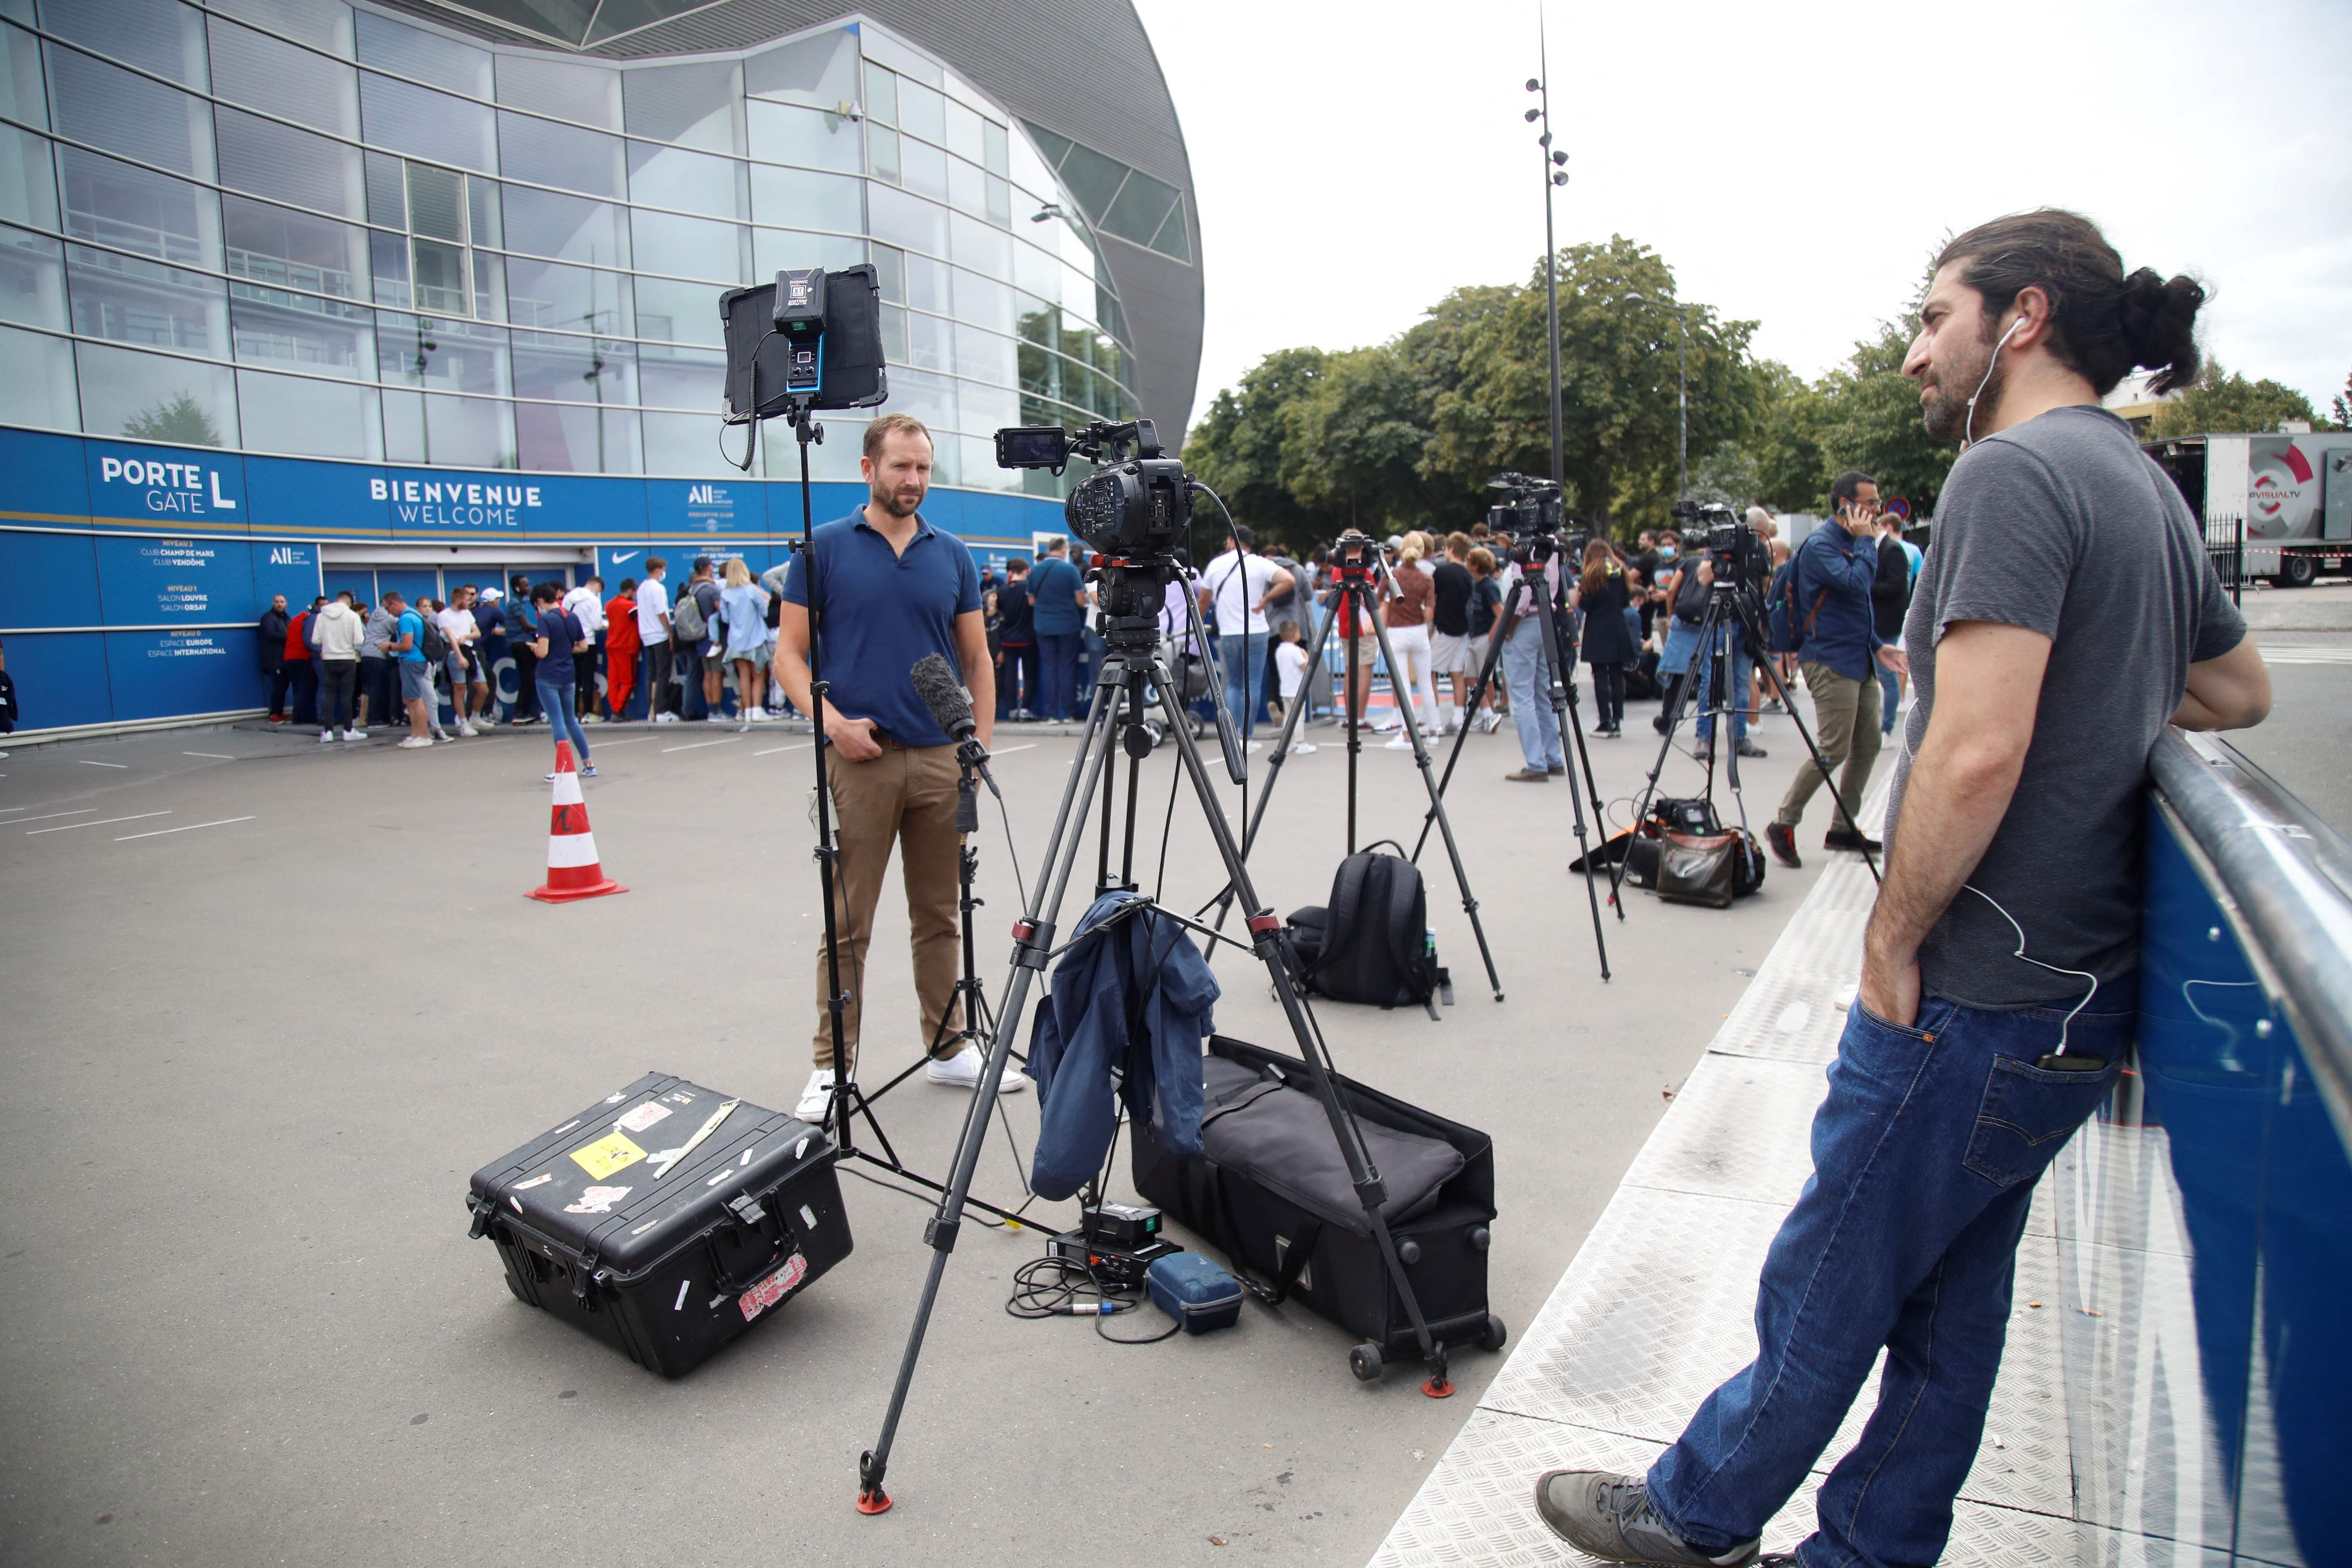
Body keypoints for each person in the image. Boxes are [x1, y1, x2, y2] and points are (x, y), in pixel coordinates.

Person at [1534, 206, 2270, 1568]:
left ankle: (1699, 1513)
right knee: (1949, 1303)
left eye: (1936, 317)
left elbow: (1976, 748)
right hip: (2075, 989)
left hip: (1981, 978)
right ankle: (1872, 1548)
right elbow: (2238, 687)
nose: (1914, 355)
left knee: (1835, 1267)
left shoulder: (2012, 473)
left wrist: (1890, 939)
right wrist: (2102, 681)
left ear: (2024, 318)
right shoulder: (2141, 484)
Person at [775, 412, 1023, 1122]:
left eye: (922, 468)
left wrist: (976, 746)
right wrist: (832, 725)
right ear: (867, 469)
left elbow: (976, 659)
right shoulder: (821, 550)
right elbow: (788, 655)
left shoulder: (952, 554)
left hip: (942, 759)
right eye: (900, 467)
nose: (913, 480)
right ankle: (832, 1066)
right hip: (861, 758)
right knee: (847, 919)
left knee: (941, 914)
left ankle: (948, 1048)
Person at [1766, 471, 1904, 868]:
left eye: (1878, 502)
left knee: (1869, 744)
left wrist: (1879, 647)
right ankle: (1784, 822)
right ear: (1846, 505)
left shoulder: (1849, 543)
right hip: (1828, 659)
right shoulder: (1822, 546)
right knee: (1832, 749)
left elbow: (1855, 608)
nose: (1878, 510)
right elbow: (1857, 585)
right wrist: (1865, 541)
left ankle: (1844, 827)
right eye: (1871, 503)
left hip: (1858, 658)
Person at [1197, 524, 1292, 745]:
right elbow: (1289, 580)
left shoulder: (1216, 565)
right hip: (1257, 630)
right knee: (1253, 683)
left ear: (1231, 540)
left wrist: (1199, 622)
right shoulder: (1260, 563)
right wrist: (1266, 600)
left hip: (1230, 632)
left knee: (1234, 683)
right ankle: (1246, 735)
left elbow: (1204, 599)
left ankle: (1232, 735)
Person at [1494, 550, 1564, 781]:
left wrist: (1509, 628)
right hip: (1545, 620)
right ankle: (1553, 757)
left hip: (1524, 623)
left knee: (1522, 696)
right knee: (1543, 694)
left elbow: (1523, 595)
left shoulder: (1527, 552)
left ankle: (1536, 762)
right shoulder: (1551, 550)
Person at [526, 582, 596, 780]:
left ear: (540, 601)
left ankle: (564, 767)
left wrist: (534, 648)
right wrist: (565, 650)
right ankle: (588, 763)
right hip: (568, 674)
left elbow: (543, 652)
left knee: (557, 721)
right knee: (571, 720)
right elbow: (583, 647)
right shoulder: (572, 617)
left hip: (548, 675)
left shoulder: (546, 621)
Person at [1570, 540, 1633, 738]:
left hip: (1597, 627)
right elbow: (1625, 601)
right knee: (1617, 675)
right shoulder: (1620, 571)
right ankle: (1618, 721)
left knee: (1600, 676)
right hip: (1618, 625)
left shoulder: (1590, 575)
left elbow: (1587, 605)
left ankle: (1604, 721)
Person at [1029, 537, 1086, 721]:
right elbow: (1081, 600)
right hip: (1068, 624)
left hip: (1043, 625)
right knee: (1068, 666)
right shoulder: (1070, 570)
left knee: (1049, 667)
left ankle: (1051, 713)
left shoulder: (1035, 570)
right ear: (1063, 549)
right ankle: (1069, 711)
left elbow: (1031, 601)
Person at [1428, 533, 1476, 734]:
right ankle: (1458, 716)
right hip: (1463, 628)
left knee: (1428, 671)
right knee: (1457, 672)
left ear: (1452, 549)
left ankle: (1433, 718)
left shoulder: (1442, 572)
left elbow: (1433, 598)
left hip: (1445, 627)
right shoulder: (1468, 575)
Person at [718, 558, 772, 723]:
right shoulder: (751, 590)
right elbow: (764, 612)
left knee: (744, 676)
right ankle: (757, 710)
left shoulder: (726, 594)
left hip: (736, 641)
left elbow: (726, 619)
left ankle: (747, 710)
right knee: (758, 676)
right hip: (755, 638)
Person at [380, 591, 435, 748]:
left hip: (412, 661)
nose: (388, 612)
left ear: (395, 604)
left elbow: (407, 645)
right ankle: (416, 734)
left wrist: (389, 646)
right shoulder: (414, 615)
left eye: (388, 608)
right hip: (415, 660)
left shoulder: (406, 619)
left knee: (415, 700)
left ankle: (423, 736)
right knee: (410, 700)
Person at [310, 590, 366, 742]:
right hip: (347, 659)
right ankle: (348, 730)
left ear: (336, 600)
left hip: (328, 659)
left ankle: (328, 732)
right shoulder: (352, 616)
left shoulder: (321, 616)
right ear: (349, 603)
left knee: (329, 695)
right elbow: (359, 641)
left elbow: (315, 640)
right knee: (347, 695)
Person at [993, 555, 1038, 720]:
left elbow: (1000, 612)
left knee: (1010, 675)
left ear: (1011, 572)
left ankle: (1012, 709)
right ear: (1027, 571)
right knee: (1029, 675)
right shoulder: (1028, 589)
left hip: (1008, 639)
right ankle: (1025, 708)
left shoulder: (1002, 590)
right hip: (1027, 638)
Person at [1464, 546, 1504, 731]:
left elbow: (1500, 612)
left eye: (1468, 560)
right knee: (1470, 676)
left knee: (1485, 677)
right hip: (1475, 635)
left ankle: (1492, 713)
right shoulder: (1476, 584)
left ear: (1474, 565)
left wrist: (1492, 635)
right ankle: (1488, 712)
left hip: (1484, 636)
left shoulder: (1489, 586)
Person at [680, 557, 725, 720]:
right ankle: (716, 711)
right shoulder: (713, 590)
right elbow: (723, 613)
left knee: (708, 674)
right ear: (708, 568)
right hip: (714, 638)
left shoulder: (693, 588)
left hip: (699, 637)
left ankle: (711, 710)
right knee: (716, 674)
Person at [438, 586, 485, 736]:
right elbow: (451, 637)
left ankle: (475, 717)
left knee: (483, 688)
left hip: (469, 650)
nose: (469, 602)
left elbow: (477, 633)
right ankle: (463, 722)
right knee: (460, 688)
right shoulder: (444, 616)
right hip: (454, 653)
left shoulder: (467, 614)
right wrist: (459, 656)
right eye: (466, 600)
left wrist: (466, 637)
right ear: (458, 601)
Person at [636, 557, 675, 722]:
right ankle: (661, 710)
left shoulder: (642, 588)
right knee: (662, 673)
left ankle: (652, 710)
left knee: (651, 673)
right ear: (659, 569)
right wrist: (670, 633)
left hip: (646, 635)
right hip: (659, 634)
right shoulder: (657, 589)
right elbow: (661, 613)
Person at [563, 576, 606, 722]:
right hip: (588, 642)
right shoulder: (594, 601)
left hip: (571, 644)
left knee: (573, 680)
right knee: (588, 679)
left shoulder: (569, 598)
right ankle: (588, 713)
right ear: (596, 586)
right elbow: (596, 625)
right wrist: (605, 625)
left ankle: (573, 714)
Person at [1271, 620, 1317, 756]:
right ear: (1297, 634)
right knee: (1299, 717)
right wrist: (1307, 657)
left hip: (1285, 689)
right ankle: (1300, 743)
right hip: (1297, 690)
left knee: (1288, 717)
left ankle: (1288, 743)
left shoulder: (1280, 650)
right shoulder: (1296, 651)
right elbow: (1305, 667)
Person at [602, 578, 640, 720]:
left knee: (613, 681)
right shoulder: (631, 606)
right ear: (630, 590)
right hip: (626, 647)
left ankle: (615, 709)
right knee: (628, 681)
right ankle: (618, 711)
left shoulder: (609, 605)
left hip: (612, 646)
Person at [283, 596, 321, 726]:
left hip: (289, 658)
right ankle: (304, 717)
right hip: (303, 657)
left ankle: (297, 717)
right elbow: (309, 640)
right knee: (304, 688)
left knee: (297, 688)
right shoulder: (310, 620)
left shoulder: (296, 619)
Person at [257, 594, 291, 723]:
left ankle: (280, 713)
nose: (280, 604)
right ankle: (275, 714)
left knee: (283, 687)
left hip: (285, 659)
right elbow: (271, 635)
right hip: (274, 660)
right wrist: (289, 636)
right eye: (277, 602)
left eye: (282, 602)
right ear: (273, 603)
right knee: (278, 687)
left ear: (286, 603)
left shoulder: (287, 618)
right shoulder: (268, 618)